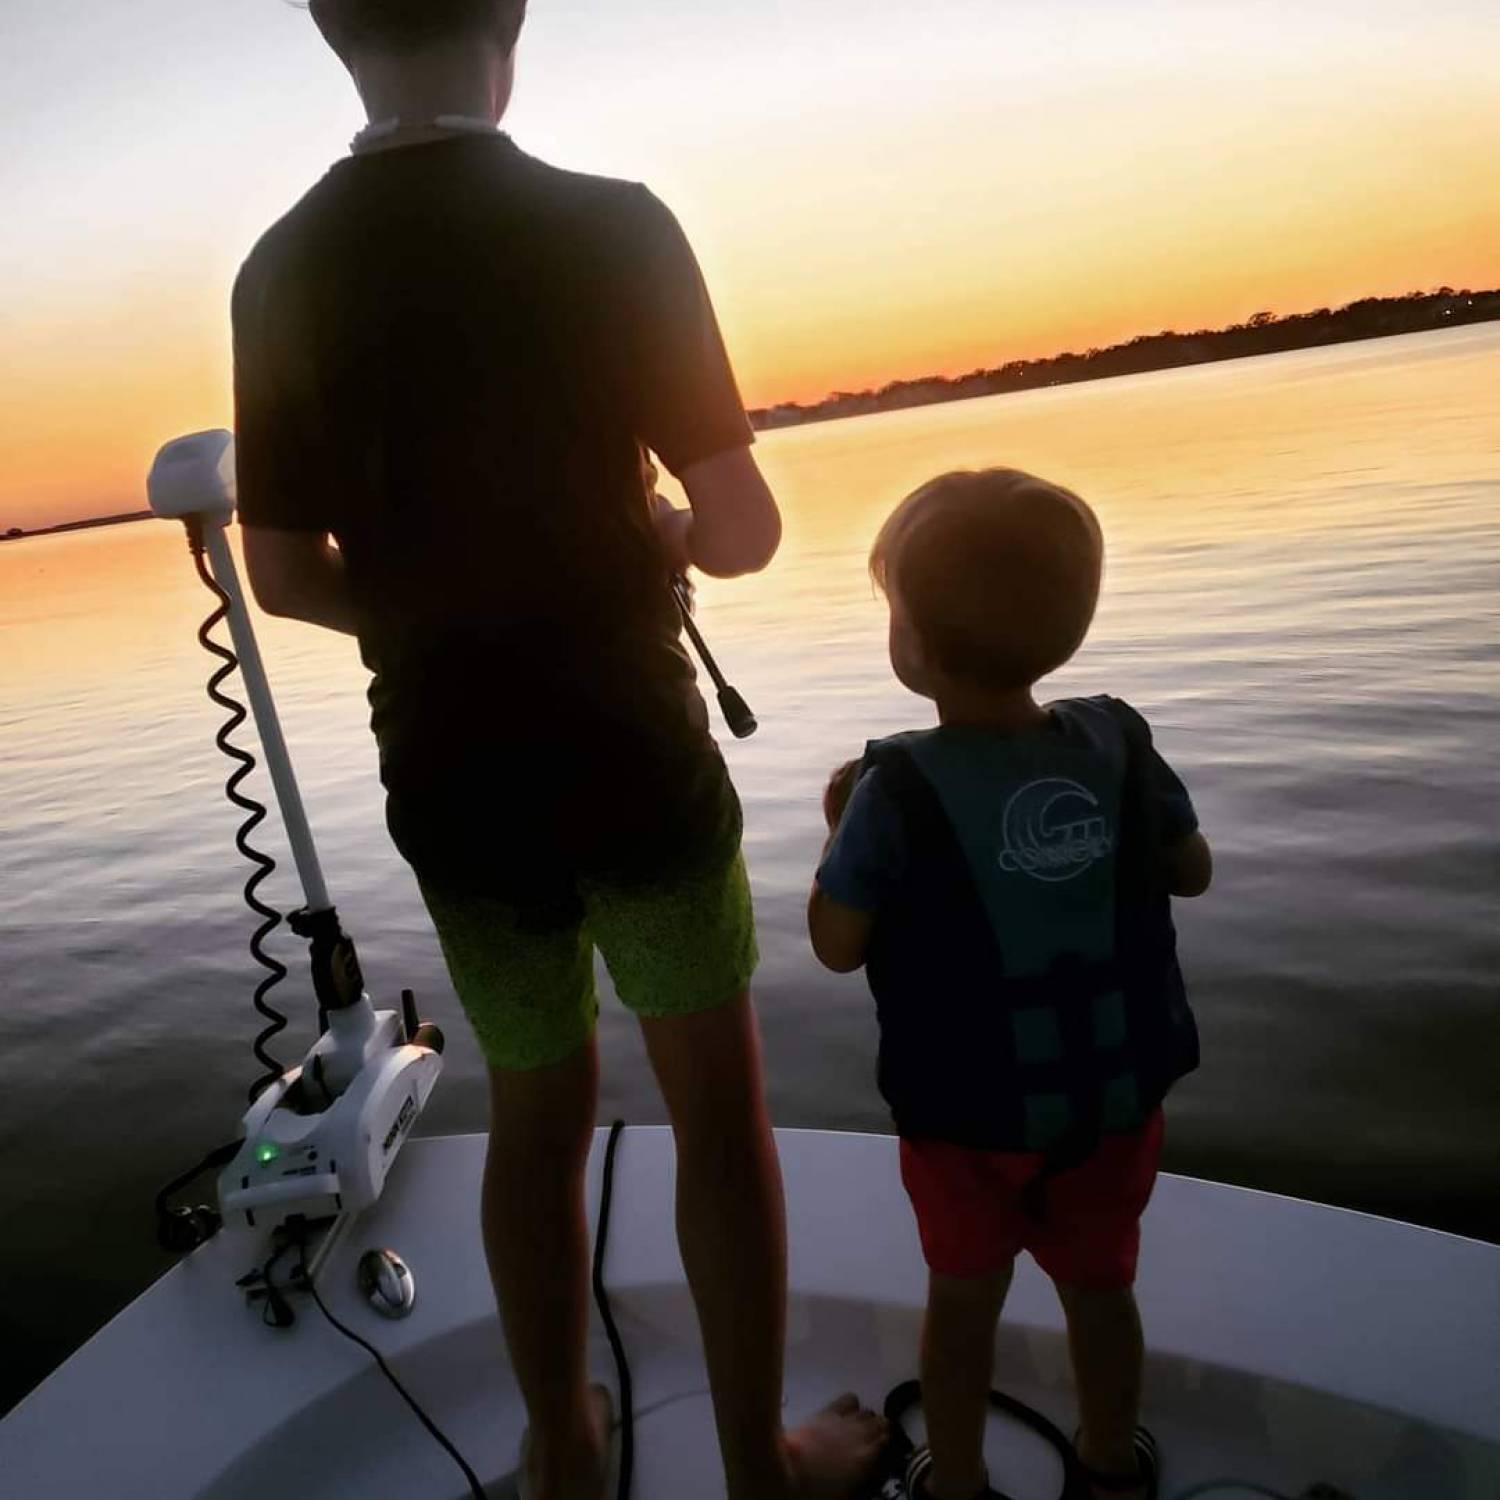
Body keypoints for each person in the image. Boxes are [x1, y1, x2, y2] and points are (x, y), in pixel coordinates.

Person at [234, 3, 886, 1496]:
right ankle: (755, 1467)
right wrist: (644, 540)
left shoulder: (277, 270)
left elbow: (279, 572)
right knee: (717, 1116)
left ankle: (566, 1451)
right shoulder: (617, 230)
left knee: (535, 1113)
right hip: (633, 762)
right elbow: (742, 529)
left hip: (456, 790)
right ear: (511, 21)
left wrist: (427, 616)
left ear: (334, 34)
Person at [807, 469, 1212, 1500]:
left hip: (967, 1124)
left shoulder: (889, 790)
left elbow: (836, 944)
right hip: (1112, 1110)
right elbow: (1191, 870)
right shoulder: (1118, 740)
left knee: (962, 1305)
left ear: (914, 648)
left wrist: (838, 829)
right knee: (1101, 1292)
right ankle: (1111, 1467)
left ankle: (956, 1486)